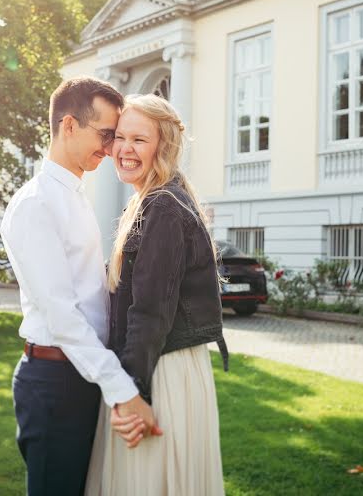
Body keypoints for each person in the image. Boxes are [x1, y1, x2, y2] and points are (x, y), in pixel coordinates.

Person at [0, 77, 160, 496]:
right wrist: (123, 393)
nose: (111, 149)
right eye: (105, 135)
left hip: (78, 376)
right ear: (69, 126)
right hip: (54, 382)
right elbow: (63, 316)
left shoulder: (73, 194)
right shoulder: (37, 204)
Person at [85, 94, 228, 496]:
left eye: (139, 140)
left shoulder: (163, 206)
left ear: (162, 147)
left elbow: (150, 312)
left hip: (161, 371)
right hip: (160, 365)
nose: (124, 150)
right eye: (120, 138)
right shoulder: (152, 199)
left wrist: (132, 394)